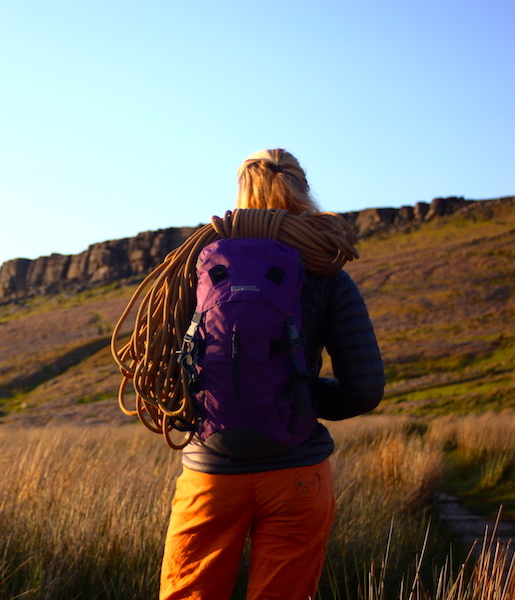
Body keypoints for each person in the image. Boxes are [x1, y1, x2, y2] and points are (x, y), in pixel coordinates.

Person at [159, 148, 385, 600]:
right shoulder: (328, 273)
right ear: (303, 189)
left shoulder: (200, 268)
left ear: (242, 193)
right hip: (296, 472)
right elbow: (363, 389)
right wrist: (291, 396)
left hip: (211, 472)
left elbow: (169, 373)